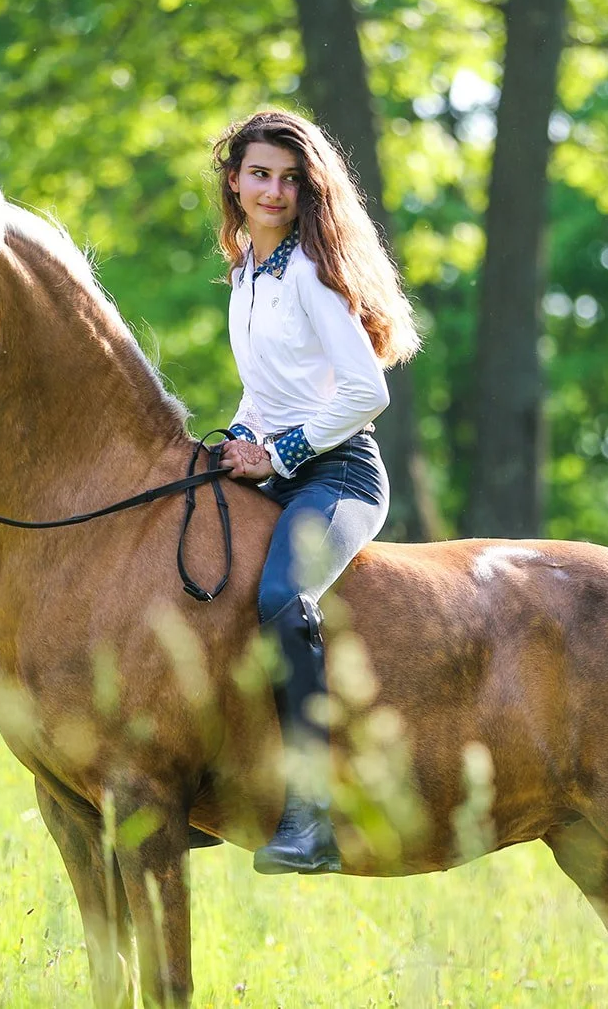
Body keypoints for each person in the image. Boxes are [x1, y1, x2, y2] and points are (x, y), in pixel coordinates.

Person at [211, 109, 420, 874]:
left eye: (289, 179)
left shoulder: (307, 275)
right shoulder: (246, 275)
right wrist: (237, 436)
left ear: (306, 191)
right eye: (259, 174)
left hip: (340, 476)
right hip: (279, 466)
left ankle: (312, 813)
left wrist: (278, 453)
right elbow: (266, 389)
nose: (272, 190)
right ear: (233, 182)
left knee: (277, 597)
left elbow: (366, 392)